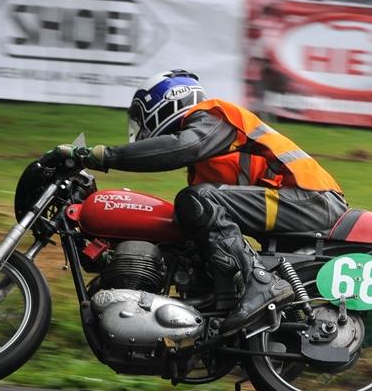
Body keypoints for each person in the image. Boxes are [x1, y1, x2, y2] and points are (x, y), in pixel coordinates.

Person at [51, 69, 348, 336]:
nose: (140, 129)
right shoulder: (205, 168)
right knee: (193, 212)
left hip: (311, 200)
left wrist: (101, 156)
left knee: (196, 200)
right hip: (292, 205)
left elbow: (181, 147)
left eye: (142, 117)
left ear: (164, 102)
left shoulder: (214, 116)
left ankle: (261, 285)